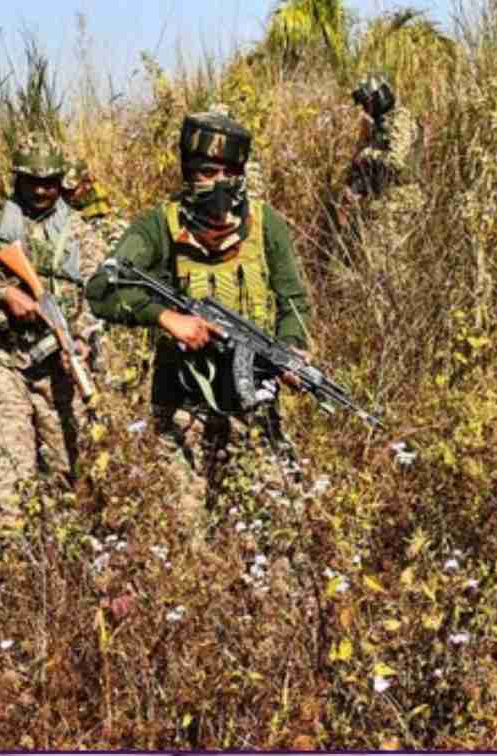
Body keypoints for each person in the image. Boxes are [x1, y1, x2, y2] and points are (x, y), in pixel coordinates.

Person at [84, 112, 312, 527]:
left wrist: (291, 350)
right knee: (185, 528)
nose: (220, 182)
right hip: (183, 401)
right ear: (188, 172)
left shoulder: (265, 225)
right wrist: (166, 317)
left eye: (230, 171)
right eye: (208, 172)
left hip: (252, 400)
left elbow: (293, 299)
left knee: (280, 523)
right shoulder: (159, 225)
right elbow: (102, 288)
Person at [0, 131, 108, 530]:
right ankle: (11, 553)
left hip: (59, 365)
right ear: (17, 178)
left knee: (67, 471)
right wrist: (3, 294)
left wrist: (85, 342)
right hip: (7, 359)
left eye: (50, 182)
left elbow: (97, 296)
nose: (41, 190)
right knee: (12, 464)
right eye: (32, 182)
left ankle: (63, 561)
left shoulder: (79, 232)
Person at [339, 73, 425, 273]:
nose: (365, 110)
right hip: (382, 202)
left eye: (366, 104)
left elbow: (396, 162)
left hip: (399, 202)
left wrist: (368, 154)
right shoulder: (381, 124)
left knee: (391, 267)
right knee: (375, 264)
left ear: (377, 98)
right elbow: (371, 166)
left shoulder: (400, 119)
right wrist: (354, 187)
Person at [61, 158, 129, 248]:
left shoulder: (101, 209)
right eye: (64, 190)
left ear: (87, 184)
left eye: (73, 189)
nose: (67, 194)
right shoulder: (69, 199)